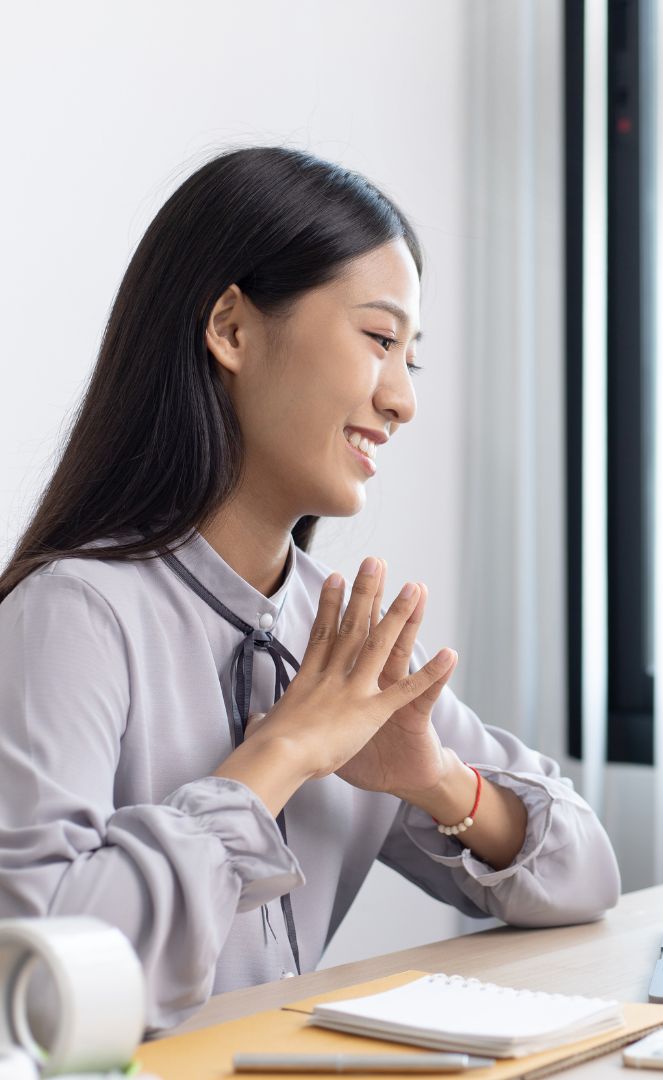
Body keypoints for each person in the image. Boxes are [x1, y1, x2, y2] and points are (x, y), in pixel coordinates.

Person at [0, 146, 621, 1035]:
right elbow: (38, 982)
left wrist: (439, 782)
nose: (402, 399)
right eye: (379, 339)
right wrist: (277, 757)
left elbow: (585, 875)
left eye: (412, 357)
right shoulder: (73, 616)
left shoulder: (333, 633)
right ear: (232, 329)